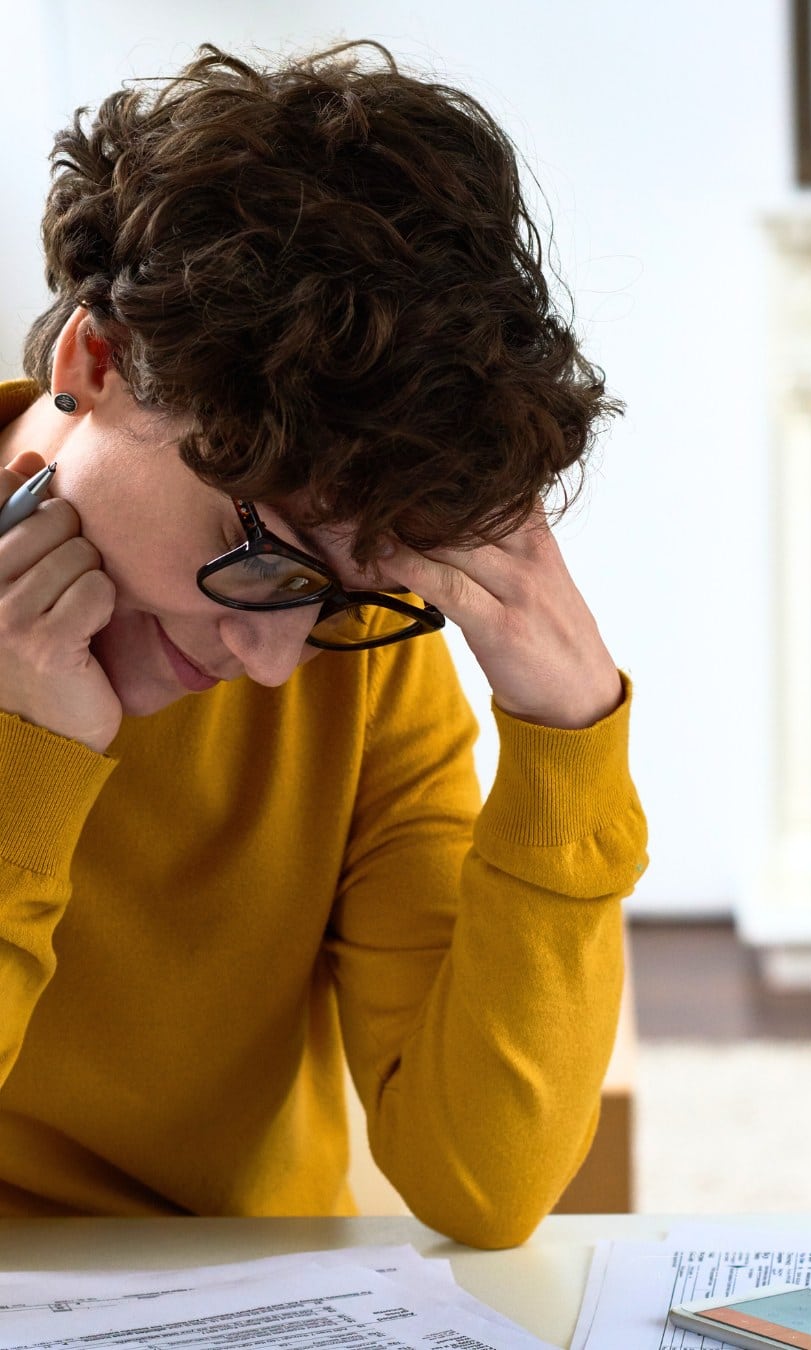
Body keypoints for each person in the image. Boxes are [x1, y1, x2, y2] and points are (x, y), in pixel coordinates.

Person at [0, 40, 647, 1248]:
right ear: (96, 360)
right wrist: (25, 770)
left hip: (238, 1302)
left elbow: (483, 1185)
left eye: (348, 597)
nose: (273, 660)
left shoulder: (358, 657)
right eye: (259, 555)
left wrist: (569, 735)